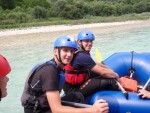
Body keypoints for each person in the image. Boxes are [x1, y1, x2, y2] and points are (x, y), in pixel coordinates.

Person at [21, 36, 109, 113]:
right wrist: (91, 110)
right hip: (39, 110)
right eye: (65, 50)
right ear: (55, 51)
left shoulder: (57, 67)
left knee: (77, 96)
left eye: (71, 51)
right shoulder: (50, 71)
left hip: (45, 104)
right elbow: (56, 110)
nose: (69, 55)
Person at [63, 30, 119, 98]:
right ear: (79, 42)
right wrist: (116, 75)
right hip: (73, 90)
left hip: (74, 83)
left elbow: (94, 63)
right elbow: (103, 72)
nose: (89, 44)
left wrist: (108, 69)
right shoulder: (81, 56)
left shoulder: (78, 51)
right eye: (86, 41)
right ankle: (116, 98)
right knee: (110, 80)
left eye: (90, 41)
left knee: (106, 75)